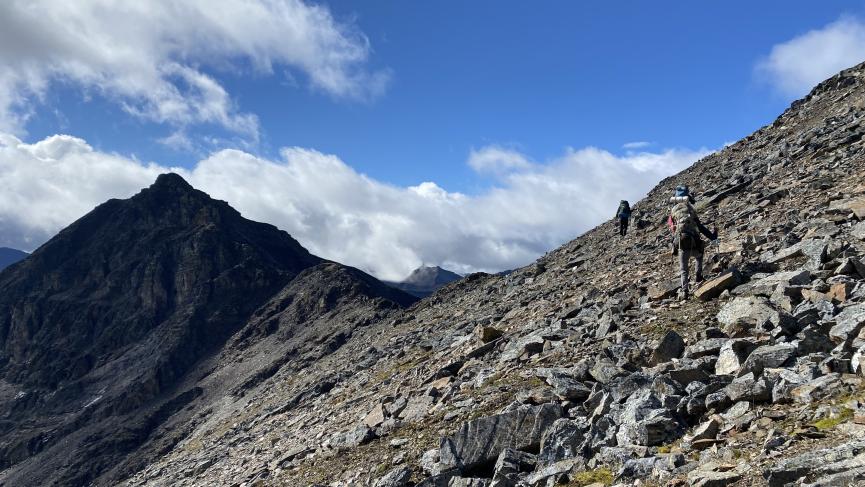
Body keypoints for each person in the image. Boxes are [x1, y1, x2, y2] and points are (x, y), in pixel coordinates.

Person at [668, 186, 717, 300]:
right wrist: (713, 237)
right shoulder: (691, 209)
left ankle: (685, 291)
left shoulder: (673, 210)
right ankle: (698, 276)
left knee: (683, 269)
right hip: (694, 243)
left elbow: (671, 227)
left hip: (681, 244)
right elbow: (700, 227)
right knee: (699, 256)